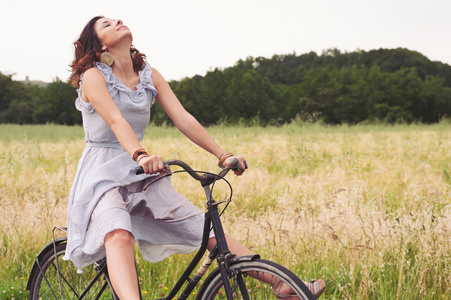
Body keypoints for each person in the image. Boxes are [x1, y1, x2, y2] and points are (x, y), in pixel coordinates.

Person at [65, 16, 326, 299]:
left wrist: (222, 154)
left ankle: (282, 283)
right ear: (99, 43)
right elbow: (116, 121)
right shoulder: (93, 76)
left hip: (139, 169)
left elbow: (183, 118)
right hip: (104, 171)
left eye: (116, 19)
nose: (116, 21)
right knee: (118, 234)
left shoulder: (148, 75)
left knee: (203, 229)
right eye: (105, 24)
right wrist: (141, 154)